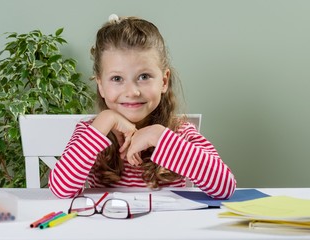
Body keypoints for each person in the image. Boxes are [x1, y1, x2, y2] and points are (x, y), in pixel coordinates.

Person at [48, 14, 236, 199]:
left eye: (144, 77)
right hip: (108, 228)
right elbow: (62, 189)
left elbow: (225, 187)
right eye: (117, 79)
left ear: (164, 81)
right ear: (101, 85)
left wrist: (158, 136)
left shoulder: (180, 132)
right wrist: (105, 120)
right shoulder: (92, 132)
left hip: (168, 228)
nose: (132, 92)